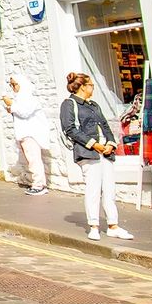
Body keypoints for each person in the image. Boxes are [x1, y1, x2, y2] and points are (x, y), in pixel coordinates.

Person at [60, 72, 134, 241]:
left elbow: (105, 126)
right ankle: (93, 226)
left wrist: (110, 143)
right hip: (88, 152)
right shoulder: (69, 104)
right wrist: (94, 144)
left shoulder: (94, 105)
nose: (93, 87)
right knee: (93, 189)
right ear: (83, 87)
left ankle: (113, 225)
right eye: (91, 85)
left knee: (109, 189)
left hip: (104, 152)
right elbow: (70, 129)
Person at [0, 72, 51, 195]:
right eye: (11, 85)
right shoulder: (20, 98)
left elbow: (24, 112)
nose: (13, 87)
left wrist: (10, 105)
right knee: (31, 159)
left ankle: (39, 185)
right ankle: (38, 183)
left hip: (31, 133)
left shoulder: (28, 97)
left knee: (34, 160)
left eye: (14, 84)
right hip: (25, 133)